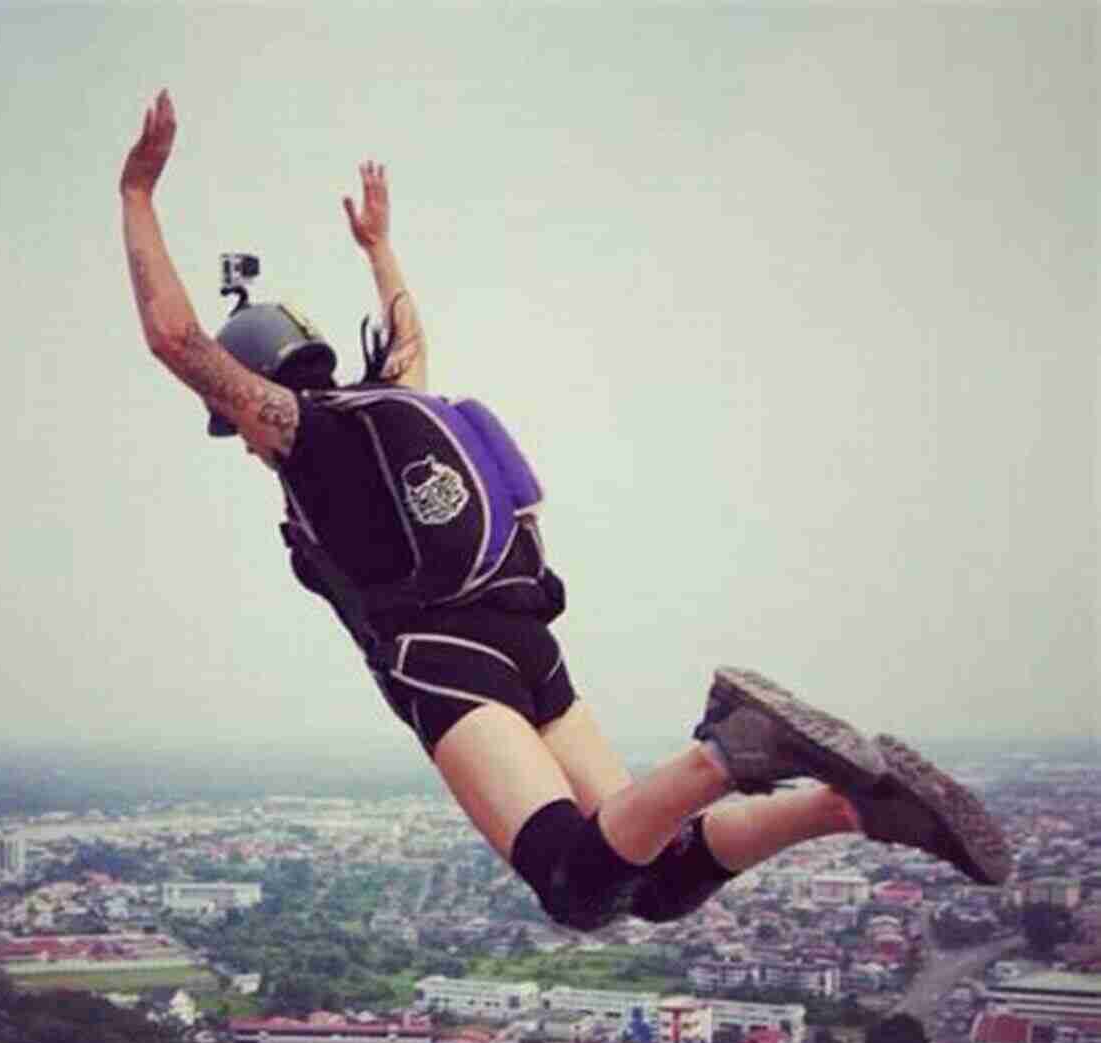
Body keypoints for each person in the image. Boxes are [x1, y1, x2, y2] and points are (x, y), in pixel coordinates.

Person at [119, 90, 1012, 932]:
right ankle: (847, 802)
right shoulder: (397, 400)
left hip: (448, 664)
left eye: (232, 421)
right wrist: (379, 247)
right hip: (529, 645)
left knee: (575, 889)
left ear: (260, 387)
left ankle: (730, 750)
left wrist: (139, 195)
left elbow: (173, 338)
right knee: (653, 880)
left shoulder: (298, 435)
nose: (238, 439)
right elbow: (411, 334)